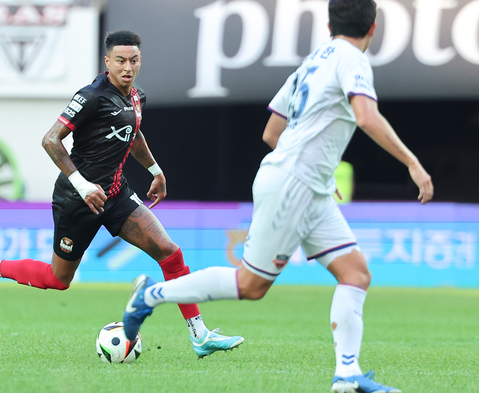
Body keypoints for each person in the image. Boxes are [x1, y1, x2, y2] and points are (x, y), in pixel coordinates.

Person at [122, 1, 433, 392]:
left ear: (328, 24)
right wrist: (413, 163)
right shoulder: (353, 60)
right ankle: (151, 295)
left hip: (309, 185)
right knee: (251, 285)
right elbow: (366, 116)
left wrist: (315, 170)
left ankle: (347, 376)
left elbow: (272, 132)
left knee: (355, 273)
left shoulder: (311, 63)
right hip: (294, 183)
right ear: (372, 28)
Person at [0, 30, 244, 358]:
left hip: (116, 194)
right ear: (106, 62)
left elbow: (133, 134)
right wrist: (82, 184)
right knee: (58, 278)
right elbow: (51, 140)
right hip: (76, 199)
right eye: (120, 60)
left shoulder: (137, 96)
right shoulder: (92, 96)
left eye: (133, 60)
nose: (127, 67)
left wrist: (155, 170)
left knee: (170, 253)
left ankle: (200, 335)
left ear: (140, 62)